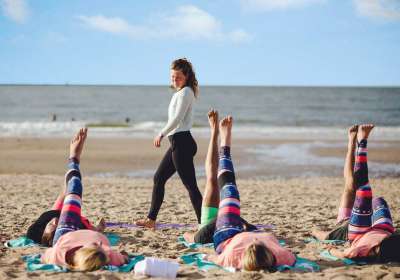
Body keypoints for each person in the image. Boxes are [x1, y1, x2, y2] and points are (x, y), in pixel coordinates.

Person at [204, 116, 296, 271]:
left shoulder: (231, 257)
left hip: (228, 237)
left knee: (229, 190)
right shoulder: (283, 257)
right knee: (231, 195)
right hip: (258, 234)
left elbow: (211, 258)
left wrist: (208, 257)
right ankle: (224, 142)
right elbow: (294, 256)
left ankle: (224, 146)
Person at [41, 128, 129, 271]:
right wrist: (123, 256)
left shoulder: (59, 253)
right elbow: (124, 258)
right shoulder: (107, 256)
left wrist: (47, 237)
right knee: (74, 190)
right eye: (102, 247)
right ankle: (98, 229)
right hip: (84, 233)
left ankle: (73, 158)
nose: (101, 245)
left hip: (66, 231)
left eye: (96, 245)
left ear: (84, 251)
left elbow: (44, 256)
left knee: (75, 185)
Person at [312, 124, 400, 263]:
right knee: (376, 199)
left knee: (353, 186)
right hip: (381, 230)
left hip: (355, 232)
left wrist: (319, 237)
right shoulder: (384, 247)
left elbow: (323, 237)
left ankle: (354, 143)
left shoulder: (351, 240)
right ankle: (359, 142)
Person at [136, 58, 202, 229]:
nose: (174, 79)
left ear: (186, 76)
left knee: (191, 186)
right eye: (172, 76)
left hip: (183, 143)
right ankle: (151, 220)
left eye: (178, 76)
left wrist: (161, 133)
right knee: (159, 178)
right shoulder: (179, 93)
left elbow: (177, 118)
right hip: (177, 143)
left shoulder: (186, 92)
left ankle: (204, 223)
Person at [183, 110, 256, 244]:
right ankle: (222, 140)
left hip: (209, 227)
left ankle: (214, 133)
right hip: (229, 222)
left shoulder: (202, 237)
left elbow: (187, 235)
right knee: (222, 183)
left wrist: (191, 233)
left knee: (212, 179)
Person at [26, 133, 104, 247]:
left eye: (52, 225)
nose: (55, 222)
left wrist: (65, 189)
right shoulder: (73, 227)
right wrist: (74, 158)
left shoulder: (38, 230)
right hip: (77, 224)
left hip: (48, 226)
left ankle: (73, 160)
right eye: (56, 226)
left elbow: (59, 203)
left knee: (61, 199)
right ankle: (99, 228)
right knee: (91, 229)